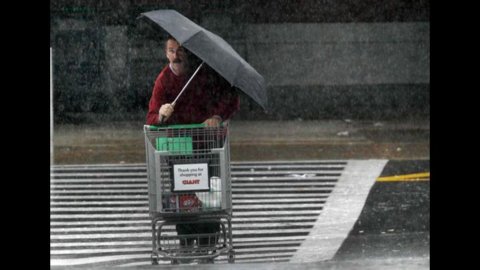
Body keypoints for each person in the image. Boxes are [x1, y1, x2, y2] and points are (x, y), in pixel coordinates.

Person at [146, 36, 239, 262]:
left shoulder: (204, 75)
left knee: (210, 199)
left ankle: (208, 244)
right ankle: (186, 244)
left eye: (180, 51)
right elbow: (151, 118)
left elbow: (230, 98)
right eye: (171, 51)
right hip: (179, 150)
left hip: (208, 146)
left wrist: (216, 116)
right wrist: (161, 115)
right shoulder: (163, 81)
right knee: (184, 199)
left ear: (188, 53)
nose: (176, 55)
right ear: (166, 53)